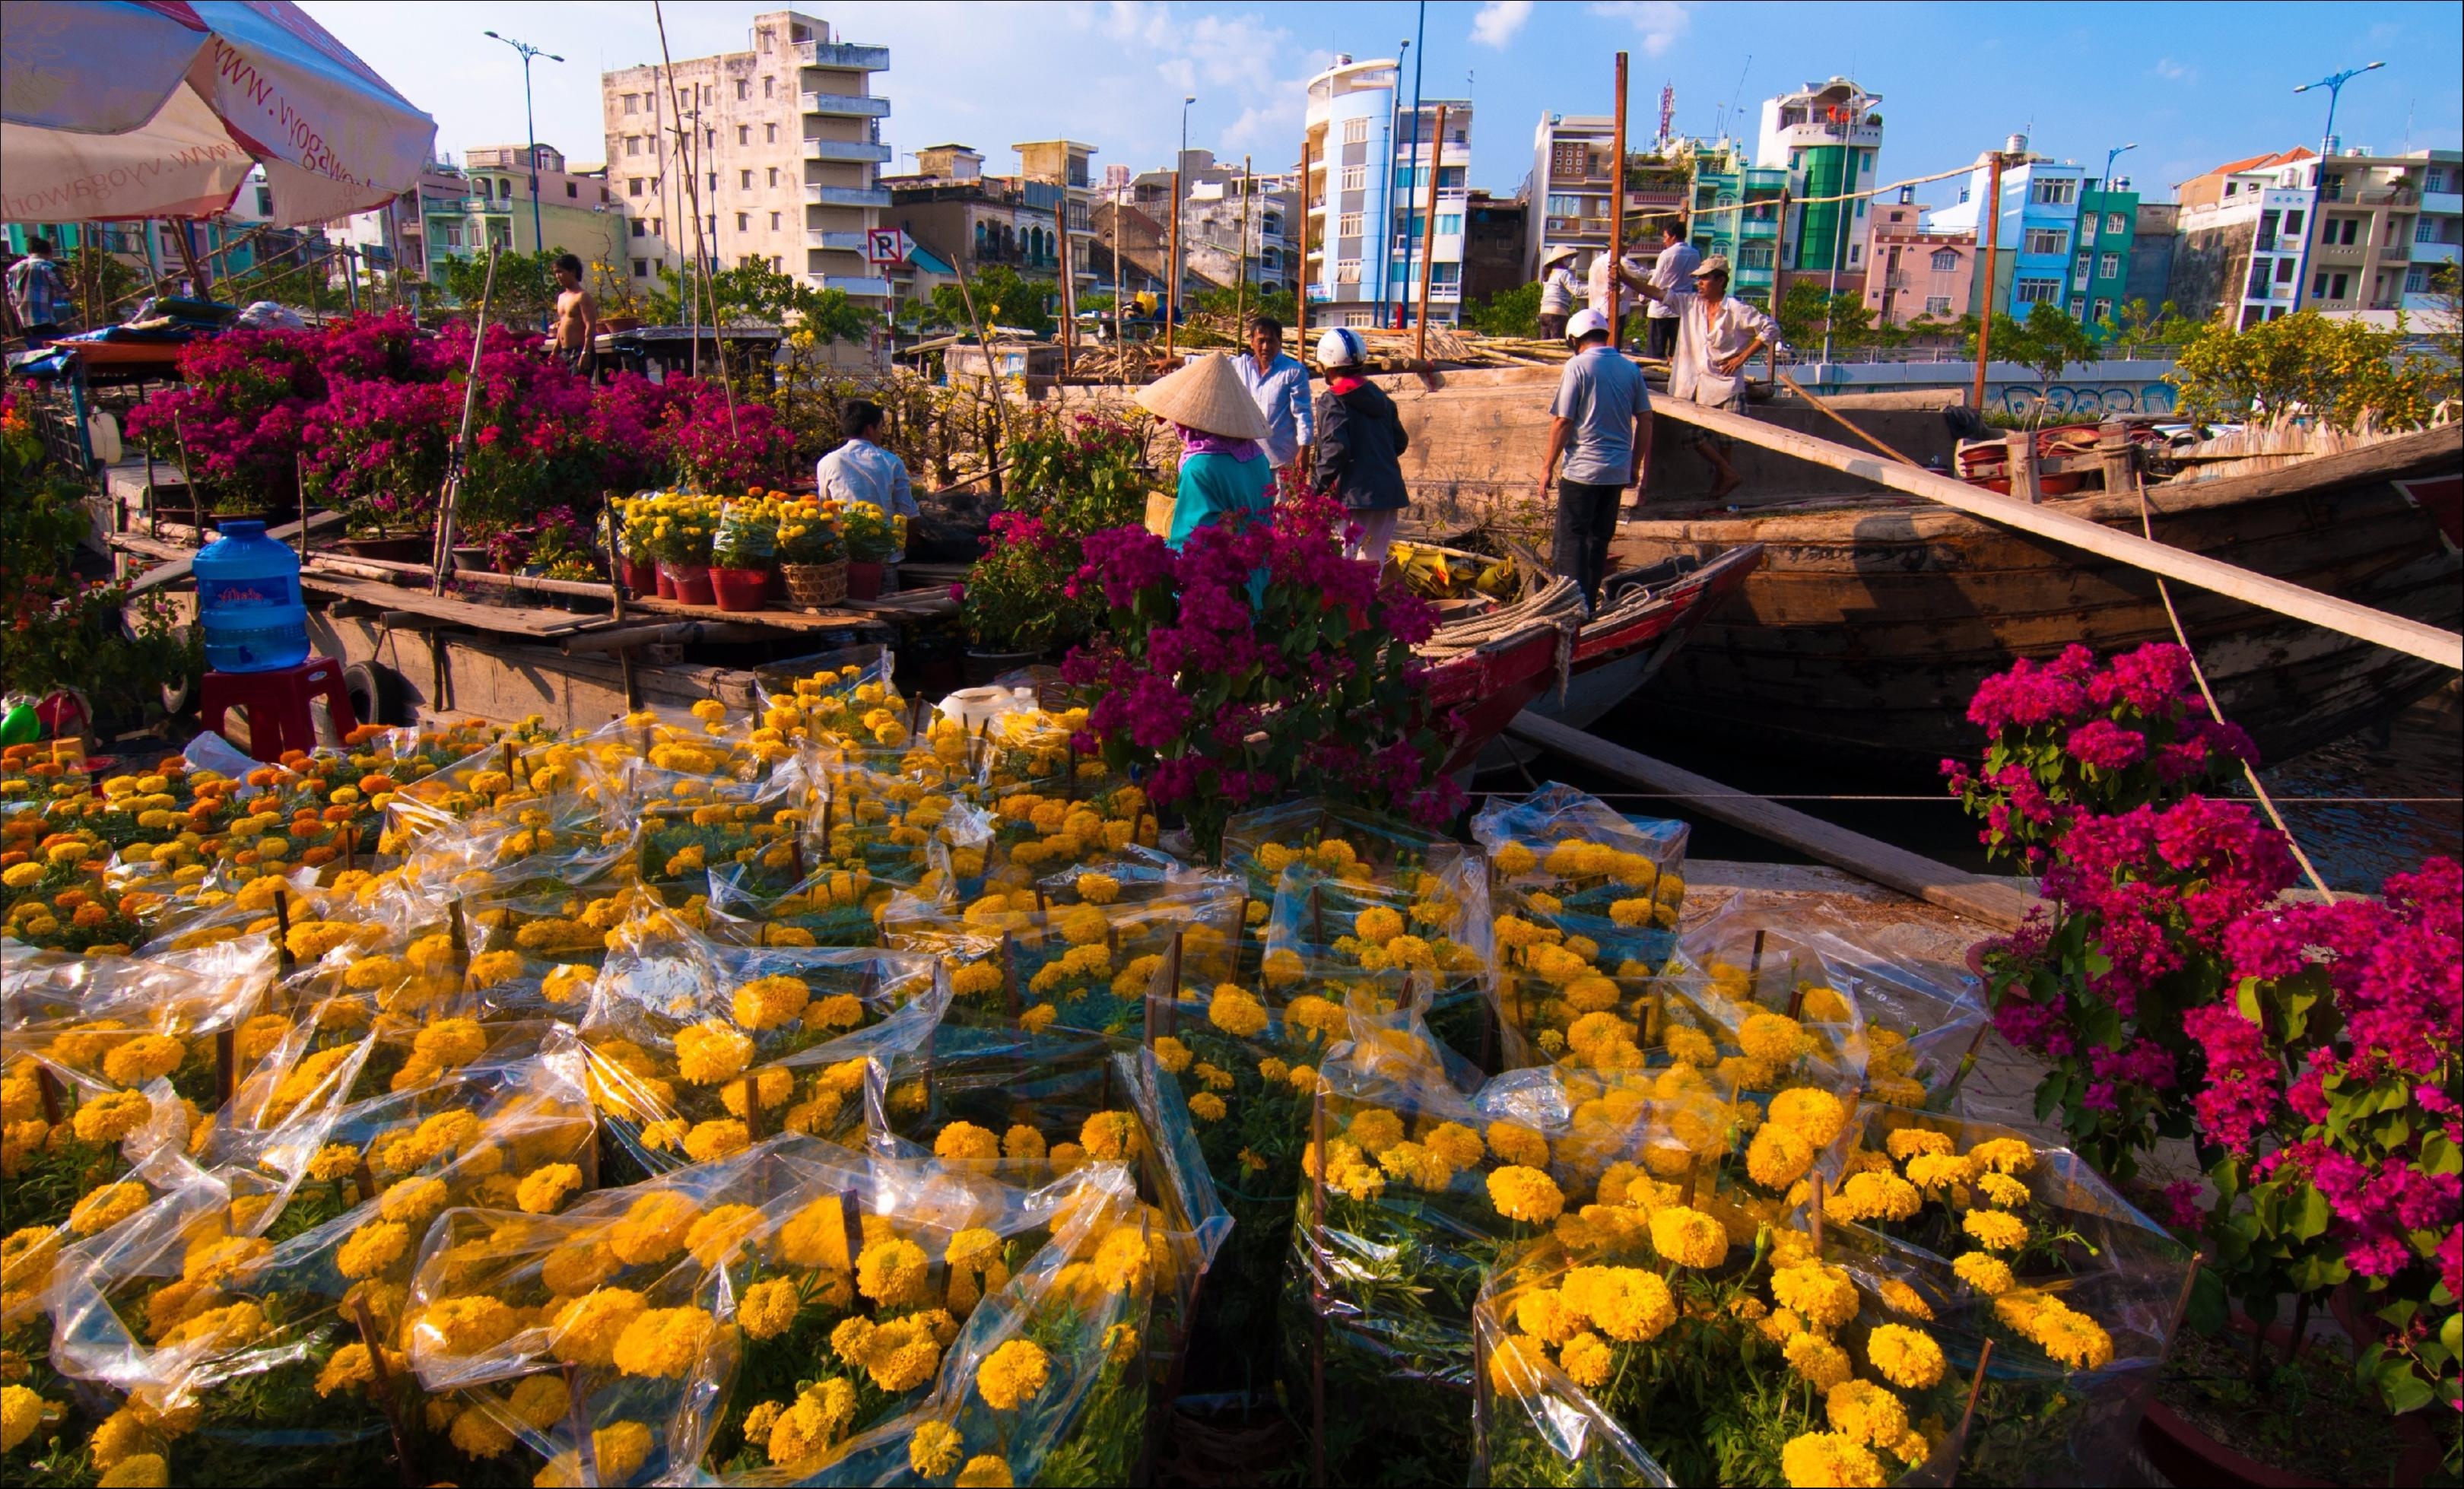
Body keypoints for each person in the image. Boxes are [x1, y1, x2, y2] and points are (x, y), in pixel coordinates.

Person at [1635, 253, 1777, 503]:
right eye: (1698, 279)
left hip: (1726, 384)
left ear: (1720, 281)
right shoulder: (1691, 304)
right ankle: (1729, 473)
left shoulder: (1736, 309)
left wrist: (1741, 358)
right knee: (1693, 436)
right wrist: (1626, 278)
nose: (1699, 283)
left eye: (1705, 279)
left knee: (1726, 440)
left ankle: (1722, 483)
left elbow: (1771, 329)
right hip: (1699, 384)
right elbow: (1657, 294)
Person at [1537, 309, 1652, 608]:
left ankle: (1569, 609)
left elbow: (1563, 421)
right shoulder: (1631, 369)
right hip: (1616, 472)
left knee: (1571, 541)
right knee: (1598, 541)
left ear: (1575, 340)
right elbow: (1646, 419)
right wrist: (1635, 465)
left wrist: (1547, 467)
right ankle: (1587, 607)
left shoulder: (1577, 366)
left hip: (1582, 471)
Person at [1135, 352, 1275, 551]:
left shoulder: (1198, 468)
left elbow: (1190, 542)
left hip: (1223, 566)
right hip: (1261, 561)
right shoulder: (1258, 456)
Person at [1310, 327, 1411, 566]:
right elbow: (1400, 442)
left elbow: (1335, 450)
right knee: (1372, 568)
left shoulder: (1333, 400)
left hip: (1356, 497)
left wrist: (1314, 489)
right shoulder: (1382, 399)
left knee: (1343, 570)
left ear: (1327, 366)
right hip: (1388, 494)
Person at [817, 399, 919, 557]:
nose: (881, 434)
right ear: (870, 429)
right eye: (881, 428)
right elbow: (907, 511)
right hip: (886, 552)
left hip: (843, 552)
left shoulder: (827, 462)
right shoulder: (891, 461)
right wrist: (909, 543)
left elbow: (825, 508)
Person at [1232, 313, 1313, 497]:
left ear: (1280, 342)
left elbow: (1302, 413)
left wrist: (1305, 448)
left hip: (1283, 459)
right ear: (1251, 342)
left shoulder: (1293, 371)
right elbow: (1214, 363)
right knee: (1254, 510)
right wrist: (1179, 361)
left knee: (1285, 511)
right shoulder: (1242, 366)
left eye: (1271, 341)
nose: (1265, 346)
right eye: (1261, 341)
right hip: (1250, 457)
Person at [1641, 219, 1699, 363]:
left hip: (1662, 306)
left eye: (1666, 237)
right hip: (1682, 307)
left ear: (1673, 237)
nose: (1664, 241)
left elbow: (1657, 279)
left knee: (1655, 354)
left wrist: (1643, 295)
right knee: (1677, 353)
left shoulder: (1667, 254)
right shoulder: (1695, 254)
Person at [7, 238, 75, 348]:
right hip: (43, 321)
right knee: (65, 349)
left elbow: (11, 297)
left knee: (38, 353)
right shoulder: (49, 267)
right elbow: (66, 295)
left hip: (24, 323)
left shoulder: (13, 269)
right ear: (49, 252)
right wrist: (79, 282)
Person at [1584, 243, 1650, 344]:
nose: (1627, 250)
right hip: (1615, 308)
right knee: (1614, 341)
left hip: (1597, 308)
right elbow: (1642, 274)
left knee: (1599, 341)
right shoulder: (1622, 261)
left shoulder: (1596, 262)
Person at [548, 253, 599, 379]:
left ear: (572, 272)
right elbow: (562, 326)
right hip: (564, 353)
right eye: (555, 273)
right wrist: (554, 352)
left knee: (578, 388)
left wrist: (586, 352)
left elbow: (590, 326)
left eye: (560, 272)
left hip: (579, 352)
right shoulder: (561, 297)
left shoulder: (582, 296)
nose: (557, 276)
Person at [1535, 245, 1580, 341]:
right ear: (1562, 259)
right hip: (1558, 313)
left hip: (1544, 312)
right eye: (1569, 258)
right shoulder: (1564, 273)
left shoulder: (1549, 274)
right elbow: (1577, 291)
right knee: (1557, 343)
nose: (1571, 261)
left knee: (1544, 344)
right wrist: (1593, 287)